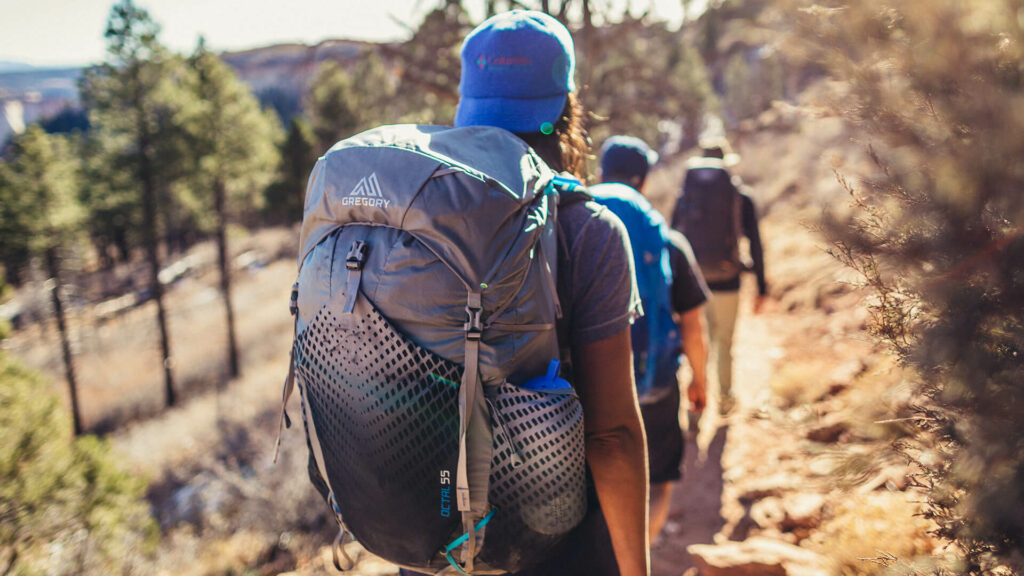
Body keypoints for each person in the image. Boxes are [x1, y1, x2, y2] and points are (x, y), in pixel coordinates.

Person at [402, 11, 649, 576]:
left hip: (434, 539)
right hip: (555, 546)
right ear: (565, 106)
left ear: (467, 107)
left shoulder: (415, 222)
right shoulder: (588, 230)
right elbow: (611, 437)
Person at [590, 135, 710, 541]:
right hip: (654, 386)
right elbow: (692, 325)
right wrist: (699, 379)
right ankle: (640, 554)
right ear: (642, 179)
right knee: (657, 482)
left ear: (601, 173)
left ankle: (604, 557)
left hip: (586, 392)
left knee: (593, 488)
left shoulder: (569, 228)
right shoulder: (668, 242)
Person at [671, 138, 767, 414]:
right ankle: (725, 399)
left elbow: (672, 237)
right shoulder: (740, 195)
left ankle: (695, 393)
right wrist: (761, 286)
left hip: (692, 282)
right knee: (723, 342)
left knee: (696, 338)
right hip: (728, 281)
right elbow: (756, 243)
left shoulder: (686, 194)